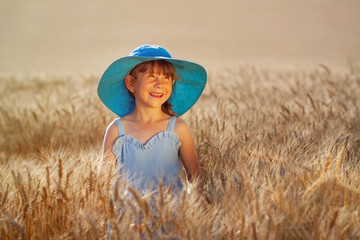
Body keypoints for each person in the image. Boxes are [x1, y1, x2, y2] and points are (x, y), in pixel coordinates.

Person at [97, 44, 206, 195]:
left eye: (166, 78)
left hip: (170, 215)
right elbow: (102, 183)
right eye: (151, 76)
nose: (159, 84)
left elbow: (195, 180)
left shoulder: (178, 128)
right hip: (128, 217)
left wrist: (191, 213)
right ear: (131, 83)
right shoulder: (116, 129)